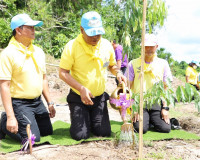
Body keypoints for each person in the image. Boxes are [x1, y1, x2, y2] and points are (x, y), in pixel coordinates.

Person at [59, 11, 127, 141]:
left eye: (98, 33)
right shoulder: (72, 46)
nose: (96, 37)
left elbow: (111, 65)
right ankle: (81, 118)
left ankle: (90, 118)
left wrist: (118, 73)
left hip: (99, 98)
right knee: (80, 135)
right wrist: (81, 88)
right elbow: (63, 72)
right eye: (91, 34)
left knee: (104, 132)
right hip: (78, 97)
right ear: (81, 29)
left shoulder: (106, 45)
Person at [0, 13, 56, 142]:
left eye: (34, 27)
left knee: (47, 132)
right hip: (19, 103)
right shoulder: (7, 54)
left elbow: (43, 78)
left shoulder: (38, 51)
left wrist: (50, 102)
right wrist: (10, 116)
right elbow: (4, 86)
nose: (33, 30)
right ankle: (3, 123)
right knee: (33, 139)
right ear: (18, 30)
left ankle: (27, 121)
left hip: (37, 101)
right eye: (29, 27)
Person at [125, 34, 172, 133]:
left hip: (155, 102)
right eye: (146, 46)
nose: (149, 49)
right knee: (140, 129)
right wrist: (133, 107)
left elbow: (166, 88)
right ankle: (146, 119)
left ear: (157, 47)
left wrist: (165, 108)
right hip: (139, 103)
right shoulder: (133, 64)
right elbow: (127, 87)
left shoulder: (163, 63)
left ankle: (151, 118)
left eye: (152, 46)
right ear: (142, 47)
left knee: (165, 128)